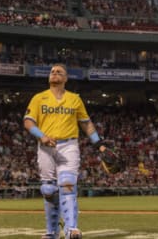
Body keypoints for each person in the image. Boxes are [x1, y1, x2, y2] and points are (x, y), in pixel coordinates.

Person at [23, 63, 105, 239]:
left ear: (65, 78)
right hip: (45, 147)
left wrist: (99, 144)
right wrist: (41, 136)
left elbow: (86, 123)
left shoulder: (74, 99)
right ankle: (51, 232)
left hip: (68, 145)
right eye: (52, 72)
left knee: (67, 184)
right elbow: (28, 122)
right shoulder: (39, 98)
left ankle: (71, 229)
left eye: (59, 72)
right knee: (48, 189)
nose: (55, 73)